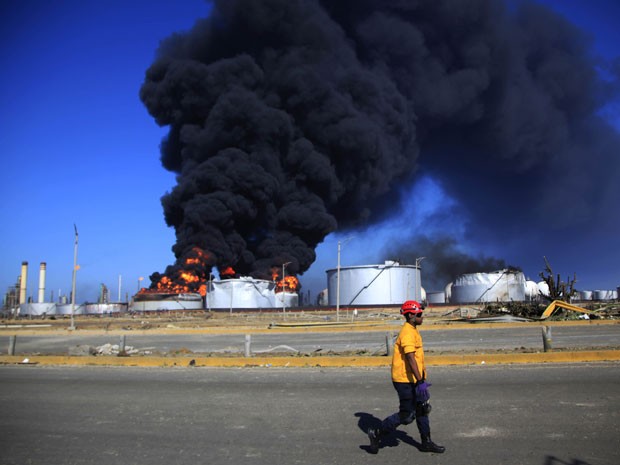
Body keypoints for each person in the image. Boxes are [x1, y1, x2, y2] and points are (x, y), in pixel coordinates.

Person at [367, 300, 445, 454]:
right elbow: (410, 358)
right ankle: (376, 433)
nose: (422, 317)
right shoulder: (407, 333)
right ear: (410, 316)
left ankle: (426, 442)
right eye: (419, 314)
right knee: (407, 415)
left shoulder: (413, 328)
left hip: (415, 379)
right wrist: (421, 381)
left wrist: (421, 379)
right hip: (404, 380)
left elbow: (416, 358)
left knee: (422, 409)